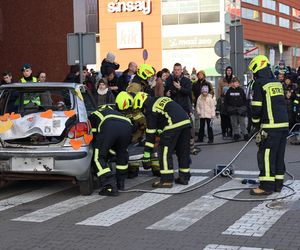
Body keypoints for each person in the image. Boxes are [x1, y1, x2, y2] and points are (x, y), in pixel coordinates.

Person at [249, 55, 289, 195]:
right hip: (283, 125)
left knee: (266, 155)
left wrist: (255, 125)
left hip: (270, 126)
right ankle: (278, 184)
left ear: (256, 69)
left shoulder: (259, 83)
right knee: (278, 155)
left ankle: (266, 186)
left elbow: (256, 107)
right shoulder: (276, 82)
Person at [133, 92, 192, 188]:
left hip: (172, 125)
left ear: (141, 103)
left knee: (164, 152)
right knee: (183, 152)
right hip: (186, 123)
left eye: (141, 109)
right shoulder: (159, 99)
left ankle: (166, 180)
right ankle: (184, 177)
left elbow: (150, 134)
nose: (143, 111)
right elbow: (164, 118)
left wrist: (147, 155)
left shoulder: (150, 108)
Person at [89, 105, 132, 196]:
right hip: (127, 126)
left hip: (109, 126)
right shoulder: (119, 114)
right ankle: (120, 183)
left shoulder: (94, 114)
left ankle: (110, 186)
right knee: (122, 154)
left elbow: (94, 136)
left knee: (98, 157)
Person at [224, 77, 248, 141]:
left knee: (242, 122)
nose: (237, 84)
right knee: (234, 123)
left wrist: (244, 107)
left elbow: (244, 100)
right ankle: (236, 134)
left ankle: (245, 134)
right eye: (235, 82)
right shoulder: (229, 91)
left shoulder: (241, 90)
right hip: (232, 109)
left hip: (240, 109)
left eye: (238, 83)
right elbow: (226, 100)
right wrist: (227, 108)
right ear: (232, 83)